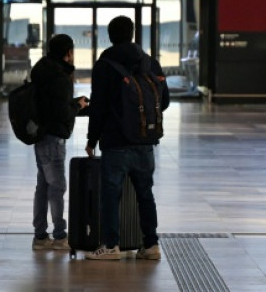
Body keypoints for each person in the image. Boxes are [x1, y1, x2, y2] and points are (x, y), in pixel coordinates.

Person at [84, 16, 169, 260]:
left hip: (116, 141)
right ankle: (151, 245)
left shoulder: (105, 64)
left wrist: (92, 139)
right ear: (132, 34)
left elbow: (98, 106)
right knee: (145, 193)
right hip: (145, 141)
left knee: (111, 195)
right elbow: (164, 100)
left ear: (110, 36)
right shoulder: (150, 62)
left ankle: (111, 246)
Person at [30, 34, 88, 251]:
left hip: (40, 135)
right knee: (57, 187)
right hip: (54, 138)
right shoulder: (60, 77)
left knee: (43, 186)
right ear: (68, 53)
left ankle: (40, 235)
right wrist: (78, 106)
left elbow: (51, 104)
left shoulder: (42, 70)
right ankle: (60, 235)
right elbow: (62, 112)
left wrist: (71, 104)